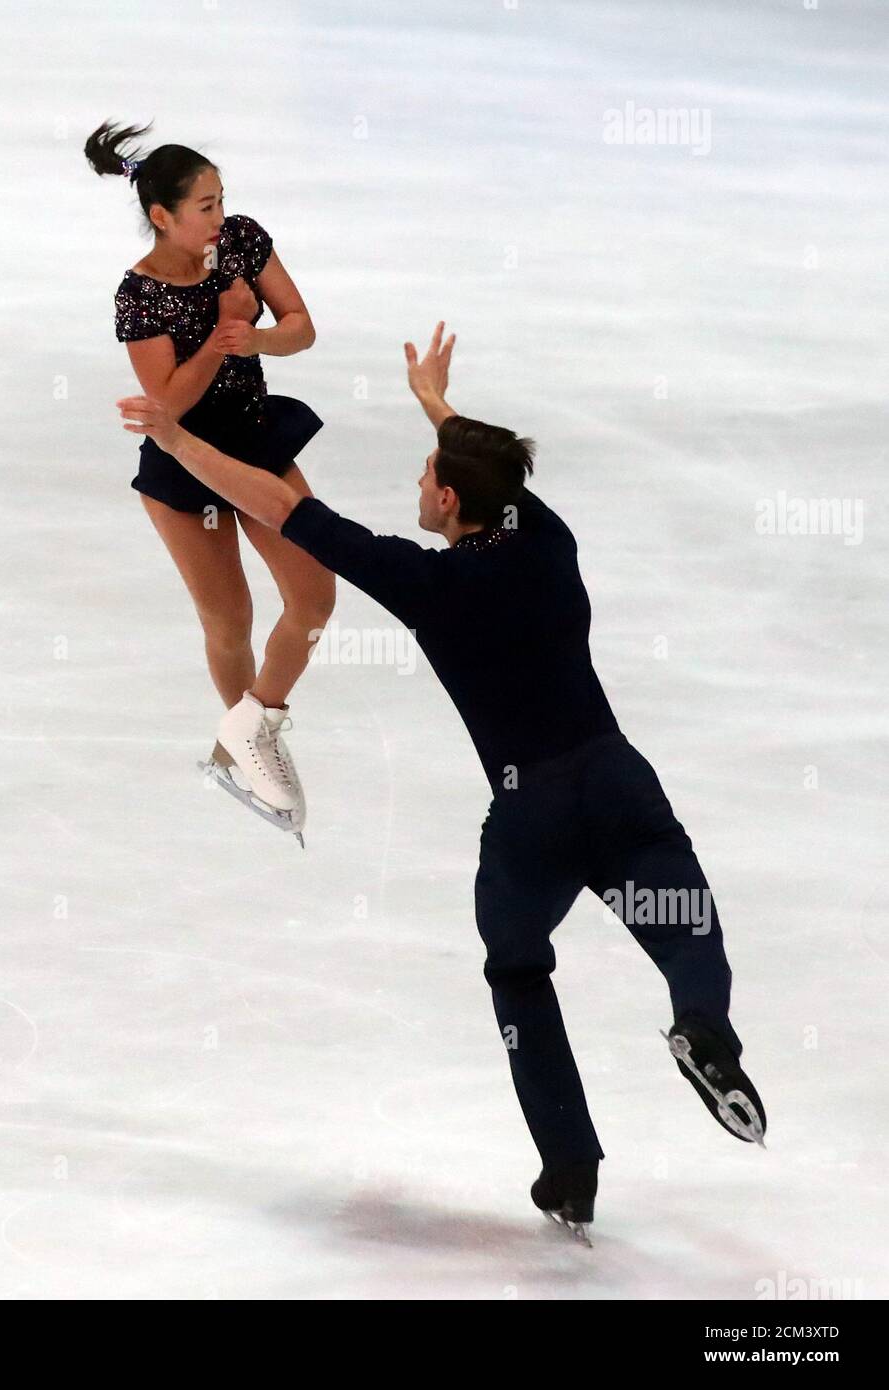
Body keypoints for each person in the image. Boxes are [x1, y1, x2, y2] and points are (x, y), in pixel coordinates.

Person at [115, 323, 767, 1240]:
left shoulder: (425, 582)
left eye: (428, 475)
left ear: (449, 499)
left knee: (517, 969)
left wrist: (179, 442)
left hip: (528, 820)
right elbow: (501, 475)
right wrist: (436, 406)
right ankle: (703, 1030)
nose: (417, 485)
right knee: (684, 928)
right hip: (618, 786)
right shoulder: (546, 538)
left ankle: (569, 1168)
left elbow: (283, 506)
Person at [85, 120, 334, 831]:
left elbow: (300, 327)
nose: (219, 217)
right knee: (230, 619)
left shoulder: (244, 241)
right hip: (184, 463)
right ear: (161, 217)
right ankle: (246, 746)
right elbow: (166, 406)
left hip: (254, 442)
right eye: (205, 206)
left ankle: (252, 727)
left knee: (314, 596)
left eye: (222, 200)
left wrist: (254, 336)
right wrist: (226, 337)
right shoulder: (137, 295)